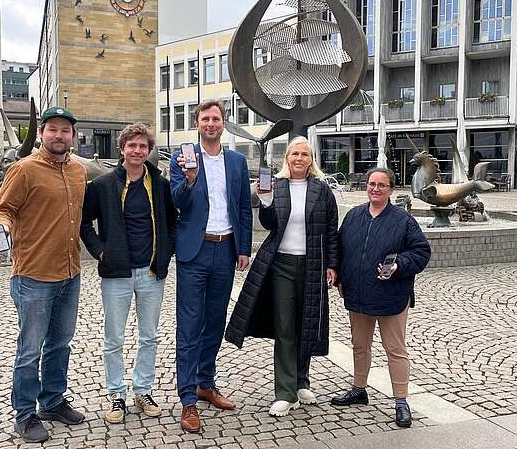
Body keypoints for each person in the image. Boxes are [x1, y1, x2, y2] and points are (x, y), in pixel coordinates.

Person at [0, 106, 87, 443]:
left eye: (65, 130)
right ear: (43, 133)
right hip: (34, 274)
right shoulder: (24, 170)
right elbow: (4, 210)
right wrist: (1, 226)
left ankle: (53, 401)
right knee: (30, 349)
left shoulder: (76, 170)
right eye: (53, 129)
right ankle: (25, 413)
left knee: (60, 343)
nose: (59, 136)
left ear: (73, 136)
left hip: (70, 272)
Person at [225, 136, 339, 417]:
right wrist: (265, 203)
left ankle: (301, 381)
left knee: (306, 323)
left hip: (312, 264)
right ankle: (286, 392)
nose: (299, 159)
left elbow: (332, 230)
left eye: (304, 154)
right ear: (286, 158)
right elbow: (269, 225)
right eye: (294, 154)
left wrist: (333, 265)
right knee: (285, 327)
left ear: (311, 159)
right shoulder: (278, 186)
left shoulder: (322, 190)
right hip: (281, 266)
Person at [80, 123, 177, 424]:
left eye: (143, 147)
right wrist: (101, 252)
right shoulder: (103, 185)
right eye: (132, 146)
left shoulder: (160, 185)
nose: (137, 151)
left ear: (149, 151)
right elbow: (84, 224)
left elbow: (172, 221)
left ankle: (143, 389)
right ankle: (116, 394)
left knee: (149, 336)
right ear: (122, 148)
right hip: (117, 273)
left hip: (150, 272)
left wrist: (166, 251)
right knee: (114, 338)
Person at [169, 99, 252, 433]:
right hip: (195, 250)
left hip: (225, 249)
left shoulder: (237, 161)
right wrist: (188, 180)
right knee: (190, 325)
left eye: (216, 118)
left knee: (215, 321)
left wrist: (243, 248)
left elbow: (243, 207)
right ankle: (188, 399)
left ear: (224, 123)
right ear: (197, 123)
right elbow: (177, 202)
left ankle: (206, 383)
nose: (211, 124)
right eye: (205, 119)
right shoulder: (184, 158)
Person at [331, 167, 431, 428]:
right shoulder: (353, 216)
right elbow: (341, 250)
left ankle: (400, 401)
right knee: (359, 345)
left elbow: (421, 252)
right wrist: (341, 278)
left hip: (392, 296)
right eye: (372, 184)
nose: (376, 189)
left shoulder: (403, 220)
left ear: (391, 190)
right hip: (359, 295)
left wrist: (399, 264)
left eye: (382, 185)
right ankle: (359, 389)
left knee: (395, 350)